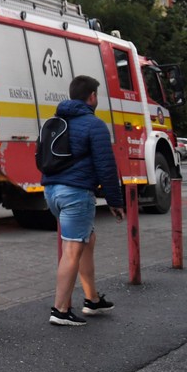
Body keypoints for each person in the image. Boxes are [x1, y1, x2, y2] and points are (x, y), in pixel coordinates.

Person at [43, 74, 125, 326]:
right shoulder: (94, 125)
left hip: (52, 191)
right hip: (76, 193)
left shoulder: (55, 121)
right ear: (91, 97)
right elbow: (106, 166)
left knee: (87, 239)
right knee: (73, 249)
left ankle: (91, 299)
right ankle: (60, 311)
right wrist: (114, 200)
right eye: (96, 95)